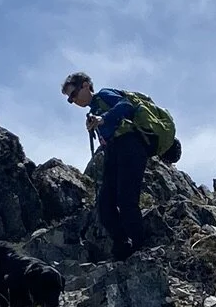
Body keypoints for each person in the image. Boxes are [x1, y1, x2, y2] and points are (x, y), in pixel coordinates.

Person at [61, 72, 178, 261]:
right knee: (105, 204)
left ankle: (139, 246)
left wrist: (103, 119)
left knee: (126, 199)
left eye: (73, 94)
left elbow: (126, 105)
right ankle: (122, 245)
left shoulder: (104, 95)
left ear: (85, 85)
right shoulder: (94, 109)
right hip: (114, 151)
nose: (73, 100)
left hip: (130, 145)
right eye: (69, 99)